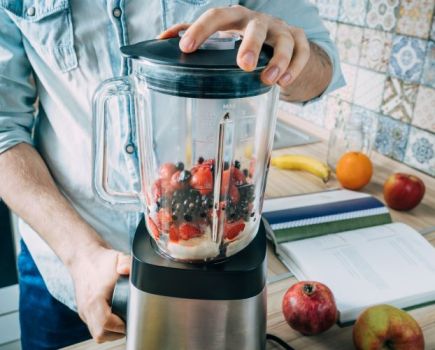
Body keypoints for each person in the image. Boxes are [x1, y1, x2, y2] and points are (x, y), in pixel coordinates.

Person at [0, 1, 344, 349]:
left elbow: (323, 68)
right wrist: (80, 256)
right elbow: (3, 129)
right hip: (66, 262)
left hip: (231, 236)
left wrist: (285, 58)